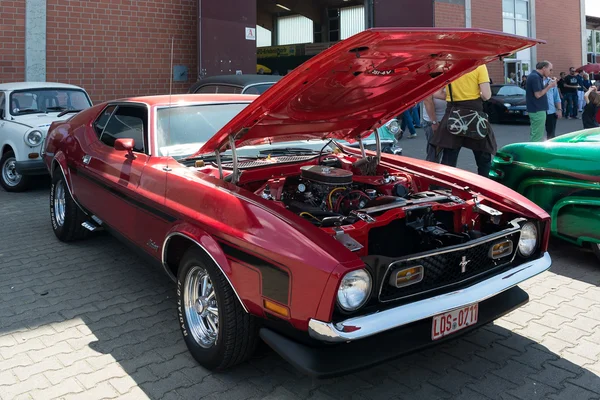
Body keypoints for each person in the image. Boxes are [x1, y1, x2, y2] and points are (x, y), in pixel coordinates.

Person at [429, 64, 496, 177]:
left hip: (453, 113)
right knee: (483, 158)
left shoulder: (448, 66)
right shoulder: (479, 66)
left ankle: (444, 189)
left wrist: (453, 96)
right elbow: (486, 95)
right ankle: (485, 189)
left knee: (449, 158)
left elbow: (436, 93)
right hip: (475, 114)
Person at [525, 61, 557, 142]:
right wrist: (550, 86)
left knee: (536, 133)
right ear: (544, 68)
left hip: (536, 109)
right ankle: (533, 152)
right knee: (537, 136)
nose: (551, 72)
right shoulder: (535, 77)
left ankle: (533, 150)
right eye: (550, 70)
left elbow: (540, 90)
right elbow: (538, 94)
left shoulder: (535, 76)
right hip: (537, 109)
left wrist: (548, 84)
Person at [422, 87, 446, 162]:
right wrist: (434, 122)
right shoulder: (432, 81)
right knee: (434, 153)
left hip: (447, 119)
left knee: (446, 152)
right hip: (432, 121)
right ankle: (430, 172)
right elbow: (427, 100)